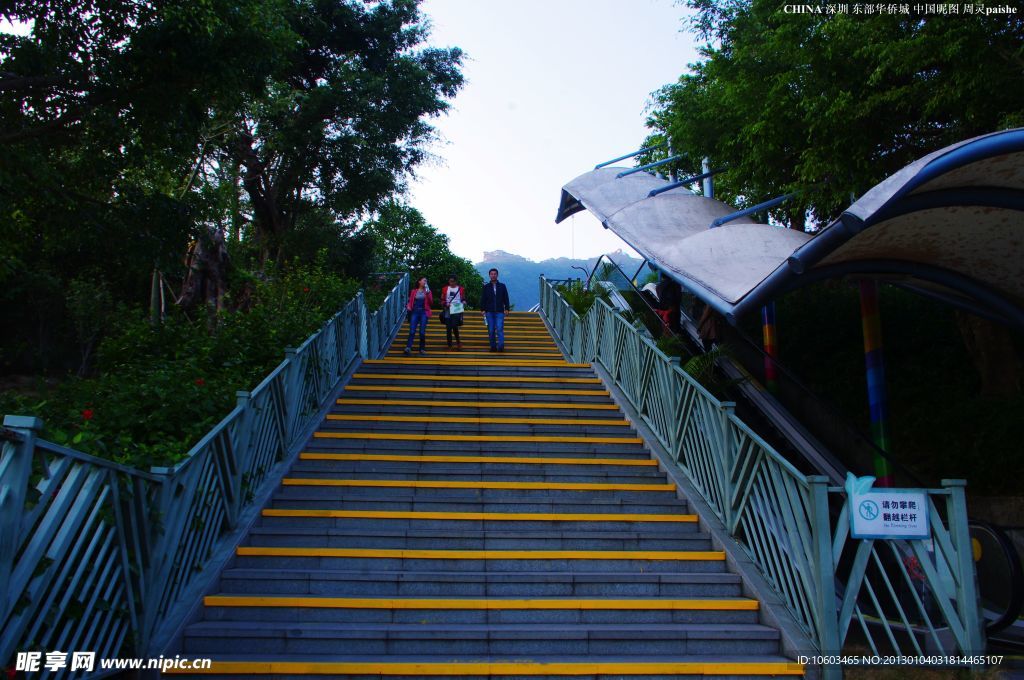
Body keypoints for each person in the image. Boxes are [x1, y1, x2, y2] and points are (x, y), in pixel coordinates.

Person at [480, 267, 510, 352]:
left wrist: (507, 308)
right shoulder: (486, 287)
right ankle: (493, 347)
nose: (493, 275)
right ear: (489, 275)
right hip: (489, 311)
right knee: (491, 330)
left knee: (500, 328)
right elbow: (483, 299)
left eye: (495, 274)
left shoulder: (502, 286)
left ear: (497, 275)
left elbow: (506, 298)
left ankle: (501, 346)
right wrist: (482, 309)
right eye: (491, 274)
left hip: (500, 311)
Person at [404, 277, 433, 355]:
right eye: (424, 280)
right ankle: (408, 347)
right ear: (419, 281)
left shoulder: (427, 291)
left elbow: (431, 302)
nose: (425, 282)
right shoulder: (414, 291)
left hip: (424, 312)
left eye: (426, 281)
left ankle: (422, 348)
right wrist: (408, 306)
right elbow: (410, 301)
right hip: (415, 311)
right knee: (412, 330)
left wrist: (428, 292)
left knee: (422, 332)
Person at [441, 275, 466, 350]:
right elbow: (442, 300)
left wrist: (464, 301)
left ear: (456, 281)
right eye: (450, 281)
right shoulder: (445, 289)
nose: (451, 283)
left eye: (453, 281)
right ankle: (449, 344)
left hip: (457, 308)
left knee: (454, 326)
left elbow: (463, 298)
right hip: (448, 309)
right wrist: (445, 304)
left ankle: (458, 342)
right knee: (448, 327)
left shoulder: (461, 289)